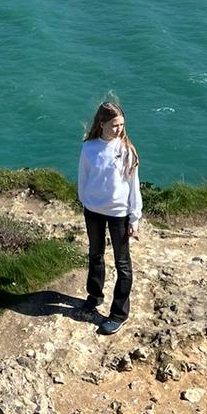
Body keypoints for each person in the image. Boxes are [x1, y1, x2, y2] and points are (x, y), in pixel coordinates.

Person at [77, 100, 142, 335]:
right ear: (102, 124)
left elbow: (134, 186)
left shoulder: (127, 150)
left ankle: (118, 314)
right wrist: (85, 200)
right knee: (95, 255)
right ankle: (94, 296)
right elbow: (82, 178)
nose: (120, 130)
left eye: (122, 125)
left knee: (122, 263)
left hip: (119, 214)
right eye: (115, 125)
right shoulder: (89, 147)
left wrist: (134, 217)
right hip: (93, 211)